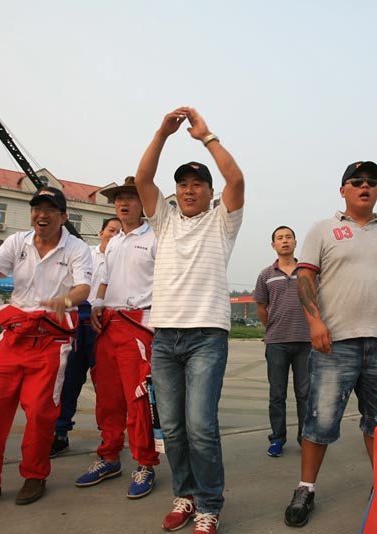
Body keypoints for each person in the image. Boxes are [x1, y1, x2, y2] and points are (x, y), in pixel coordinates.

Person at [283, 161, 377, 528]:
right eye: (357, 181)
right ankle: (305, 488)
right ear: (343, 190)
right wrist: (315, 322)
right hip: (334, 344)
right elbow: (305, 277)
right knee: (320, 421)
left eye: (371, 182)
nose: (365, 186)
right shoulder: (323, 229)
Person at [134, 107, 244, 534]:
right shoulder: (163, 220)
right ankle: (185, 494)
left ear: (210, 192)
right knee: (174, 429)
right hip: (165, 337)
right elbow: (143, 180)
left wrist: (206, 137)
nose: (188, 190)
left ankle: (210, 504)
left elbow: (236, 180)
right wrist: (162, 133)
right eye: (182, 184)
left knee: (200, 426)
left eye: (197, 184)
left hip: (206, 337)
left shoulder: (222, 221)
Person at [0, 187, 92, 514]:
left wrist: (65, 300)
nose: (41, 215)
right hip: (13, 337)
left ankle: (34, 475)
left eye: (50, 210)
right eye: (36, 209)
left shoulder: (76, 248)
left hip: (51, 341)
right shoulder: (17, 242)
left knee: (41, 413)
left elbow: (83, 287)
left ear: (63, 216)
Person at [74, 177, 159, 498]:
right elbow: (105, 280)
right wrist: (97, 303)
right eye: (118, 199)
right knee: (108, 397)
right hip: (108, 324)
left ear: (144, 203)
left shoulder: (155, 237)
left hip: (138, 324)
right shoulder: (114, 241)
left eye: (130, 198)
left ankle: (145, 463)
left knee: (138, 399)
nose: (123, 203)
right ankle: (109, 456)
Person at [50, 216, 121, 457]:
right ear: (101, 233)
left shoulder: (124, 258)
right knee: (67, 380)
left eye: (119, 232)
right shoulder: (84, 254)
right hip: (76, 323)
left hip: (105, 325)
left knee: (106, 385)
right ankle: (60, 433)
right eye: (111, 230)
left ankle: (110, 436)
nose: (114, 235)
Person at [254, 225, 311, 457]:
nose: (285, 241)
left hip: (305, 342)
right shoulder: (266, 275)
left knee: (305, 394)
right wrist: (273, 327)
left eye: (288, 237)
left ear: (295, 242)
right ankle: (277, 439)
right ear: (273, 245)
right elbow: (261, 307)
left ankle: (306, 438)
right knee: (277, 394)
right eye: (280, 238)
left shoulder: (308, 272)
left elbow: (317, 302)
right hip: (276, 343)